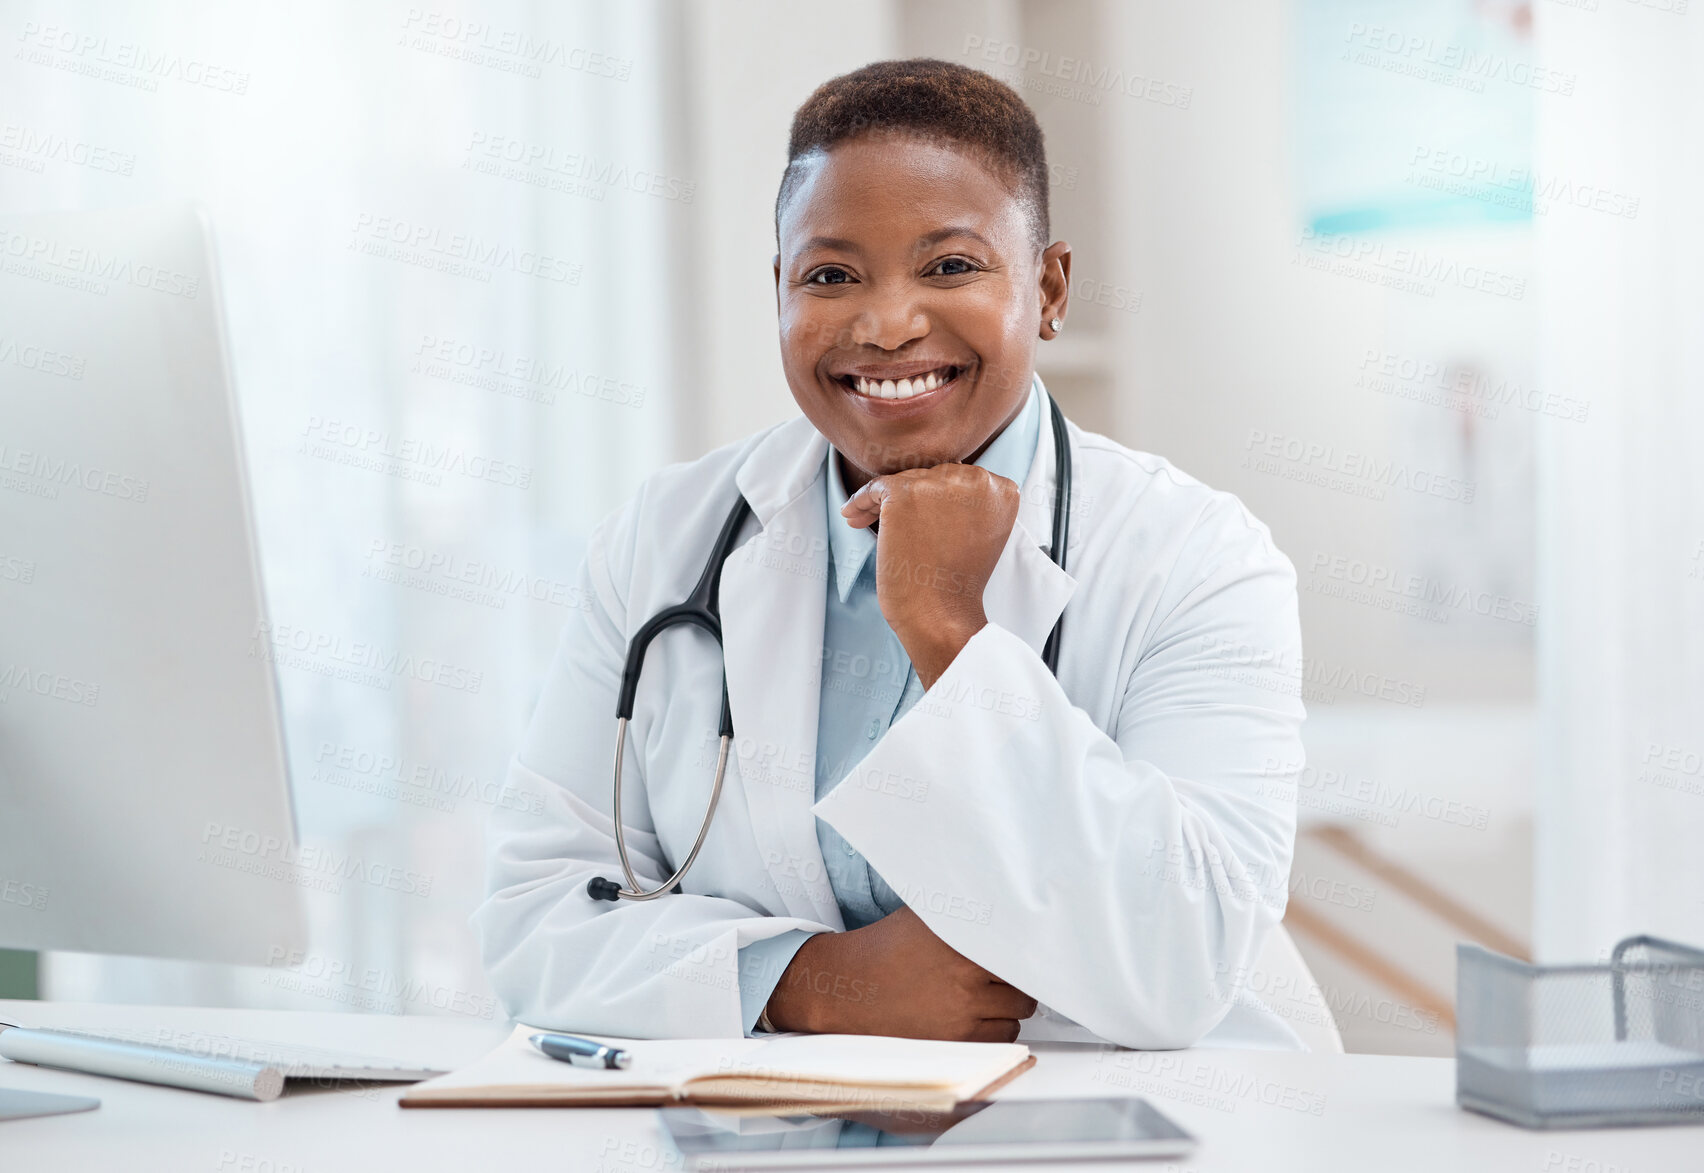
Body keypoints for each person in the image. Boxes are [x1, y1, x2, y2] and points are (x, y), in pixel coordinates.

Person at [474, 59, 1307, 1050]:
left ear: (1047, 288)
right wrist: (810, 982)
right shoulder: (668, 536)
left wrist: (950, 632)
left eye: (949, 266)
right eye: (829, 276)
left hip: (1131, 1130)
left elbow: (1185, 961)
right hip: (776, 1134)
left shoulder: (1197, 559)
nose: (886, 324)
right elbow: (536, 923)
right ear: (778, 290)